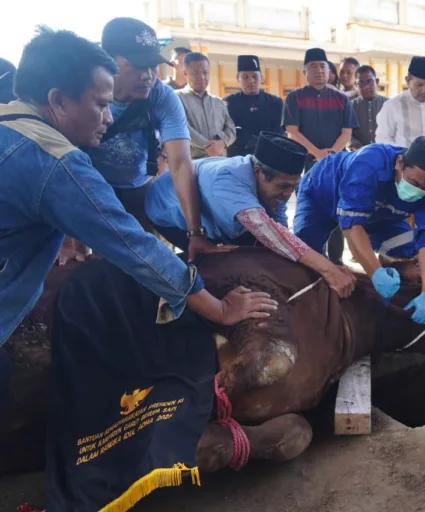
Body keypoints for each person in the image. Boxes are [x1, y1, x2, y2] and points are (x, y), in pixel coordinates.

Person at [0, 28, 275, 367]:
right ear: (57, 100)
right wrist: (218, 308)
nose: (109, 117)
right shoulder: (57, 163)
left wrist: (195, 233)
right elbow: (133, 245)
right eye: (101, 104)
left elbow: (179, 161)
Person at [146, 132, 356, 297]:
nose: (287, 194)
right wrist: (328, 269)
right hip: (169, 212)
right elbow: (269, 232)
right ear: (258, 172)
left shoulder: (273, 186)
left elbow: (280, 232)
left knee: (267, 257)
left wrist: (321, 264)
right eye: (283, 187)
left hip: (221, 211)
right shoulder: (228, 181)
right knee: (223, 265)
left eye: (293, 187)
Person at [84, 18, 212, 261]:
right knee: (90, 263)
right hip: (90, 189)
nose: (148, 75)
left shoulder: (162, 98)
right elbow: (63, 160)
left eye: (153, 66)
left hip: (140, 188)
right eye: (138, 66)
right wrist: (66, 241)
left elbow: (180, 164)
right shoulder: (83, 93)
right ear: (107, 62)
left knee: (143, 261)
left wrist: (195, 232)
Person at [293, 137, 425, 325]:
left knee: (407, 251)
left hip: (380, 214)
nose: (419, 190)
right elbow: (352, 226)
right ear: (399, 163)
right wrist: (375, 273)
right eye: (414, 183)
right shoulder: (369, 163)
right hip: (321, 194)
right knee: (308, 259)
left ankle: (395, 309)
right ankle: (313, 318)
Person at [283, 47, 358, 265]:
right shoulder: (295, 98)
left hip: (336, 164)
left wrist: (331, 154)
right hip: (304, 162)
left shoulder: (341, 99)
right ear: (305, 71)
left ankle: (336, 260)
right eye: (313, 66)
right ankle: (312, 260)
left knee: (337, 208)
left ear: (329, 71)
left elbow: (347, 133)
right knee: (308, 210)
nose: (319, 71)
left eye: (323, 66)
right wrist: (317, 153)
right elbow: (292, 132)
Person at [376, 56, 425, 147]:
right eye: (419, 85)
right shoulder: (392, 106)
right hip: (404, 159)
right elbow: (383, 139)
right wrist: (403, 154)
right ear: (408, 80)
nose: (424, 90)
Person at [176, 52, 236, 159]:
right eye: (195, 73)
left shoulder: (219, 102)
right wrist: (209, 147)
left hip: (219, 162)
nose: (201, 77)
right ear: (185, 73)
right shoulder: (177, 98)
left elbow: (231, 129)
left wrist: (222, 143)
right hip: (192, 164)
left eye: (205, 72)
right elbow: (182, 128)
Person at [224, 55, 284, 157]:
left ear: (262, 78)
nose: (251, 81)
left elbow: (281, 132)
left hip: (269, 157)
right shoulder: (228, 103)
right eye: (245, 77)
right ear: (238, 78)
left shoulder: (276, 103)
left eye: (255, 76)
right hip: (238, 159)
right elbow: (227, 132)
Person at [349, 65, 387, 149]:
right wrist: (355, 144)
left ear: (376, 82)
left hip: (385, 153)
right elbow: (347, 132)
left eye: (369, 81)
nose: (366, 86)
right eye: (361, 83)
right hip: (359, 154)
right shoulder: (350, 106)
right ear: (356, 84)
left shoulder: (388, 104)